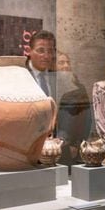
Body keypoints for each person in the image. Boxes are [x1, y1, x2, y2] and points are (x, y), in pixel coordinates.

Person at [26, 30, 91, 168]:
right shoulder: (20, 76)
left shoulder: (60, 78)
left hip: (59, 151)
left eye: (50, 51)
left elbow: (75, 113)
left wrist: (66, 141)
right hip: (28, 150)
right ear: (29, 51)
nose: (46, 55)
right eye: (40, 50)